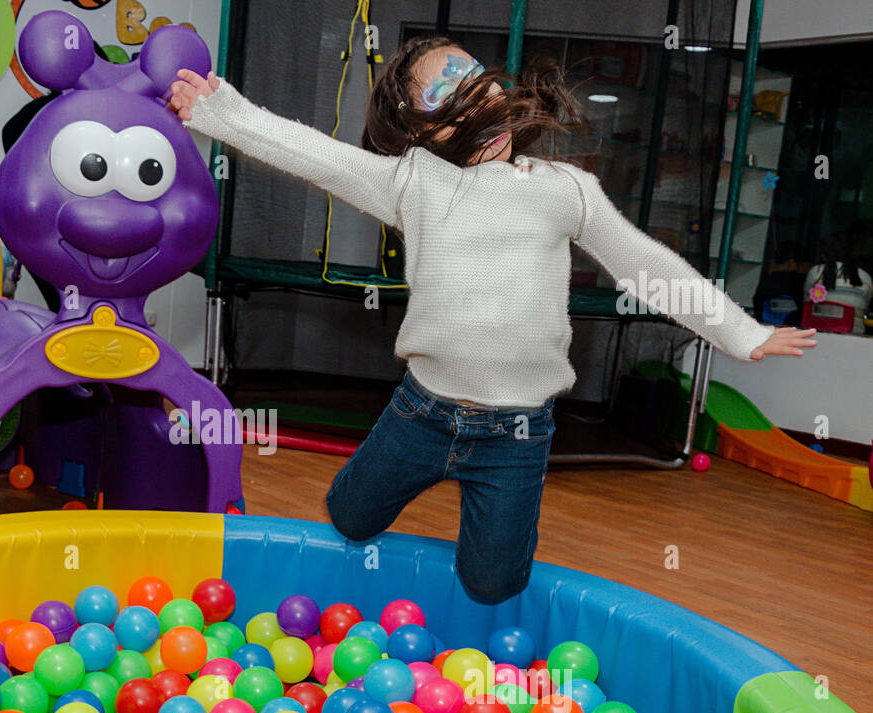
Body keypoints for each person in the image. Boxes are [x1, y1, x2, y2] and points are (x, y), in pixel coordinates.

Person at [168, 36, 815, 605]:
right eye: (449, 98)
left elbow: (645, 262)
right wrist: (220, 112)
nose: (481, 105)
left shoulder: (564, 188)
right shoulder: (413, 182)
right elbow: (313, 155)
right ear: (422, 132)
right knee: (351, 517)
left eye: (480, 84)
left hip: (517, 432)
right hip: (422, 414)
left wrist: (741, 332)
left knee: (492, 584)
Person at [803, 231, 872, 332]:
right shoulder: (865, 278)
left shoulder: (815, 273)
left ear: (823, 254)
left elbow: (807, 306)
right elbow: (864, 308)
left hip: (817, 337)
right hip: (855, 338)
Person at [752, 239, 806, 326]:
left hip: (764, 326)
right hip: (790, 328)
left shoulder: (766, 281)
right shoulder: (798, 281)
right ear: (791, 262)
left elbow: (757, 306)